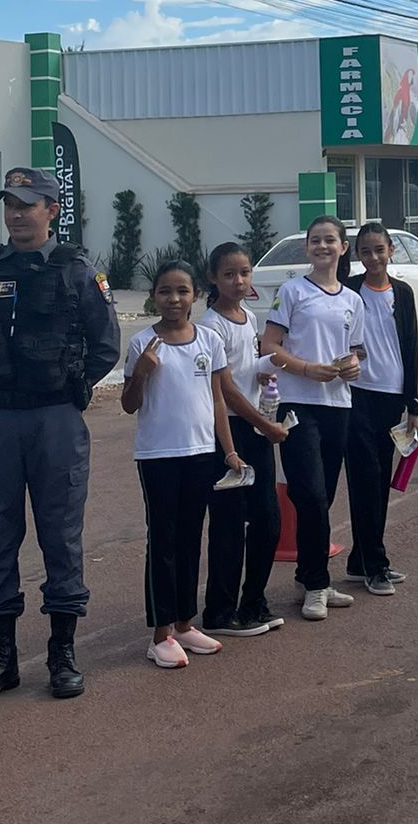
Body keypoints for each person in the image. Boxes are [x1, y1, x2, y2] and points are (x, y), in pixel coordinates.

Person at [0, 165, 120, 705]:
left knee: (60, 537)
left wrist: (70, 385)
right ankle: (2, 660)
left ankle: (61, 654)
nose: (17, 213)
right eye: (10, 204)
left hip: (54, 420)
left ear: (52, 210)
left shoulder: (75, 271)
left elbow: (105, 344)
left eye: (28, 203)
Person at [122, 260, 244, 669]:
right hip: (158, 456)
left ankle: (184, 623)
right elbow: (129, 404)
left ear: (194, 295)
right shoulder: (143, 343)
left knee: (192, 538)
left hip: (200, 454)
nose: (173, 299)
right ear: (153, 297)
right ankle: (159, 634)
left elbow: (217, 400)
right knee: (164, 541)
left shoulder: (208, 340)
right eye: (164, 292)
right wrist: (140, 373)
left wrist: (227, 450)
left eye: (182, 291)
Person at [260, 215, 364, 621]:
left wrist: (352, 365)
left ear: (342, 248)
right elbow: (270, 346)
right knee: (312, 494)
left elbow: (357, 350)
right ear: (307, 248)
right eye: (315, 241)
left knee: (323, 497)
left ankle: (310, 572)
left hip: (337, 404)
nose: (322, 247)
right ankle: (318, 586)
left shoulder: (351, 301)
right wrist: (305, 368)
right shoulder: (291, 292)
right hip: (296, 403)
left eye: (330, 241)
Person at [201, 243, 289, 637]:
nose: (239, 281)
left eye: (245, 273)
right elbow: (226, 389)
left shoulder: (249, 317)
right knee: (229, 524)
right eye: (229, 274)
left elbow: (246, 370)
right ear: (213, 278)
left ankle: (253, 600)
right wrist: (264, 425)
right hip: (229, 433)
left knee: (268, 519)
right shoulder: (210, 324)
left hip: (256, 427)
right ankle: (220, 611)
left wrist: (266, 372)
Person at [343, 221, 418, 596]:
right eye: (364, 251)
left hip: (392, 397)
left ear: (391, 250)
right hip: (357, 397)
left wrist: (413, 404)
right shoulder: (349, 292)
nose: (373, 258)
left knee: (379, 483)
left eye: (379, 249)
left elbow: (410, 349)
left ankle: (361, 560)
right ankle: (376, 564)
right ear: (355, 255)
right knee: (365, 481)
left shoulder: (403, 294)